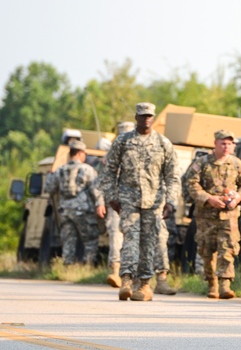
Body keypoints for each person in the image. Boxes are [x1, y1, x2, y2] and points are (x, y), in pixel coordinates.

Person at [97, 102, 178, 301]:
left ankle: (144, 285)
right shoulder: (123, 141)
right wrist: (111, 197)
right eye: (142, 116)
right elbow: (109, 171)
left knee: (149, 242)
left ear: (154, 117)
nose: (146, 119)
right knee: (131, 238)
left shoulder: (163, 143)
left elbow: (173, 175)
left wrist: (171, 201)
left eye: (149, 115)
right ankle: (126, 280)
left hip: (154, 201)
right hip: (128, 200)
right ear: (136, 118)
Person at [184, 130, 241, 300]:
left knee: (228, 247)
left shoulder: (237, 164)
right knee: (207, 249)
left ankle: (225, 284)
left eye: (229, 143)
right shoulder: (202, 163)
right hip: (206, 215)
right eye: (223, 143)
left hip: (229, 215)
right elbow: (192, 184)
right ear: (215, 144)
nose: (226, 147)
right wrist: (208, 199)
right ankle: (211, 282)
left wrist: (238, 198)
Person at [45, 139, 100, 266]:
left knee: (68, 241)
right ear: (80, 154)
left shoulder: (60, 170)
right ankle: (88, 266)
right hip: (83, 211)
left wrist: (49, 176)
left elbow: (50, 189)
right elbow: (96, 190)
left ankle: (67, 268)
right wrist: (100, 204)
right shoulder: (88, 170)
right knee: (90, 240)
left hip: (65, 211)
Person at [95, 122, 134, 288]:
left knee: (133, 238)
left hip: (136, 205)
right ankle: (115, 271)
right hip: (116, 203)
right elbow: (100, 183)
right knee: (115, 235)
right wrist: (100, 203)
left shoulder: (141, 154)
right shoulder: (109, 158)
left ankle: (132, 274)